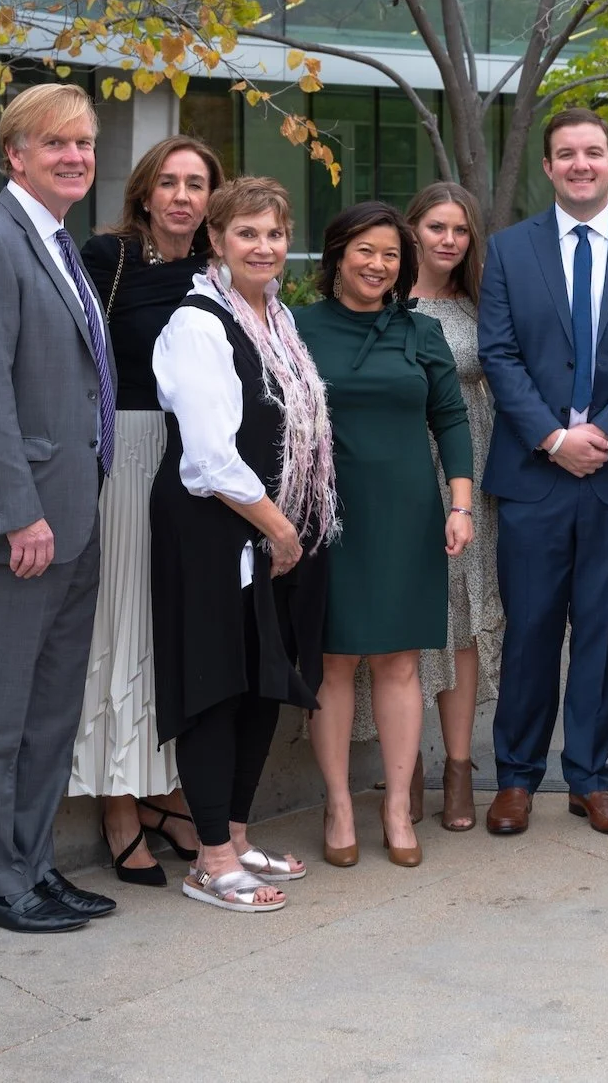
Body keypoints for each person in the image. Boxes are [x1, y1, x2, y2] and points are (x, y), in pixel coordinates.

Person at [0, 82, 120, 933]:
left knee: (52, 713)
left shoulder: (60, 246)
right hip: (20, 529)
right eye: (55, 144)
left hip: (74, 518)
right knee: (0, 717)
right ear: (15, 155)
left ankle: (33, 868)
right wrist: (20, 511)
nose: (75, 156)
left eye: (83, 143)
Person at [478, 107, 608, 838]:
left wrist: (603, 431)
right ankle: (515, 777)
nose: (580, 164)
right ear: (547, 166)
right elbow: (498, 353)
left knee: (600, 629)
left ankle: (592, 778)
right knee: (530, 626)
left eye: (592, 152)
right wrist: (550, 435)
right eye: (565, 153)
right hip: (535, 473)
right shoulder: (507, 249)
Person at [151, 176, 336, 913]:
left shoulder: (276, 316)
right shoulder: (199, 323)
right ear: (216, 242)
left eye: (275, 234)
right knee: (216, 690)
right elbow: (206, 456)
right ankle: (210, 860)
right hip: (215, 531)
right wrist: (280, 524)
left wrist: (287, 525)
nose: (264, 247)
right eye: (247, 234)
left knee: (263, 684)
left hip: (267, 533)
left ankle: (234, 831)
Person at [297, 202, 474, 869]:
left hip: (408, 509)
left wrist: (459, 505)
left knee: (400, 661)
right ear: (337, 253)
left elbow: (451, 421)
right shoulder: (297, 327)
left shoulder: (420, 331)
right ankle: (339, 801)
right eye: (365, 250)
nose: (378, 264)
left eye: (391, 255)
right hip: (328, 512)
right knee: (334, 659)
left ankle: (398, 803)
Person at [73, 135, 224, 887]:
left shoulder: (220, 269)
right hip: (126, 457)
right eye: (168, 181)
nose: (182, 196)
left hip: (198, 465)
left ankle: (167, 792)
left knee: (173, 634)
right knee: (123, 626)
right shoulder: (109, 258)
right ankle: (118, 803)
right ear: (144, 191)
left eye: (196, 183)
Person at [404, 182, 504, 832]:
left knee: (464, 619)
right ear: (411, 228)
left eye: (460, 229)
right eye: (436, 226)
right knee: (406, 621)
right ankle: (405, 763)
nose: (448, 238)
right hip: (402, 469)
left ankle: (461, 769)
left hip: (471, 472)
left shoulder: (483, 304)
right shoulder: (381, 299)